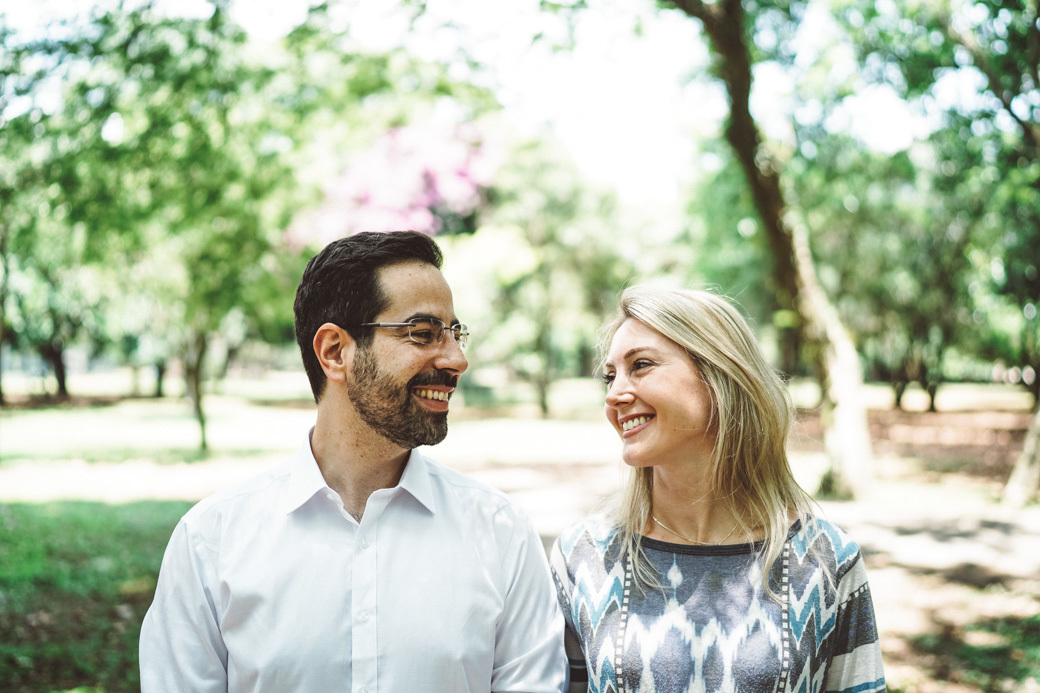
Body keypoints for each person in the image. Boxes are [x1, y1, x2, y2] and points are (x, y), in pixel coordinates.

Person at [140, 231, 567, 692]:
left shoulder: (500, 534)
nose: (457, 359)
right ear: (335, 351)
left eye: (455, 333)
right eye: (423, 333)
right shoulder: (211, 542)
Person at [550, 286, 886, 693]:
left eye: (640, 365)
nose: (614, 394)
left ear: (719, 377)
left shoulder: (826, 562)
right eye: (610, 375)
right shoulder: (583, 558)